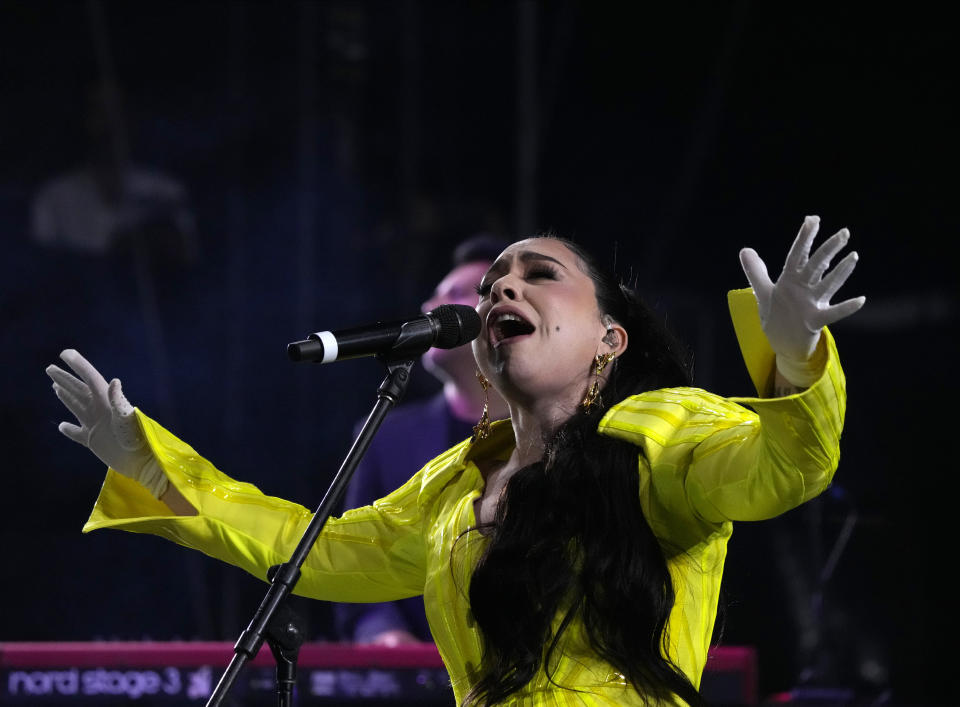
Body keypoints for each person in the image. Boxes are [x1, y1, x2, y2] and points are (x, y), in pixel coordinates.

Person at [46, 216, 864, 706]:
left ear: (609, 340)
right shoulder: (456, 481)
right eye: (494, 285)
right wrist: (151, 466)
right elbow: (315, 551)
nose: (503, 291)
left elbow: (782, 465)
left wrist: (794, 358)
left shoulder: (662, 433)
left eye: (538, 275)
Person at [335, 234, 510, 646]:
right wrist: (388, 639)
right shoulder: (383, 434)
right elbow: (356, 560)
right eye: (433, 297)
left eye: (456, 293)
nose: (431, 308)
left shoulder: (564, 430)